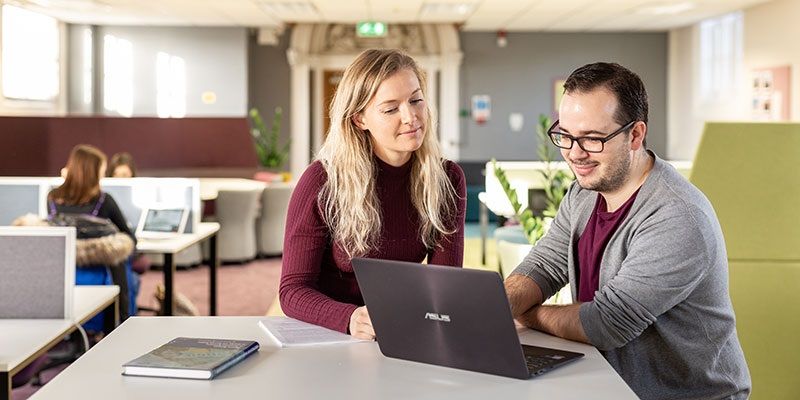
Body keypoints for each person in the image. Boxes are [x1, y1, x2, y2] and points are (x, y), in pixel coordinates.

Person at [504, 62, 751, 399]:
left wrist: (527, 314)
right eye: (565, 136)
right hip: (613, 384)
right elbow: (546, 265)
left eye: (592, 138)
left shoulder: (678, 216)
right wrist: (500, 302)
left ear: (635, 135)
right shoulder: (584, 192)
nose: (574, 154)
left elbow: (607, 323)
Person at [279, 49, 466, 339]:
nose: (411, 117)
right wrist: (350, 317)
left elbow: (444, 285)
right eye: (390, 109)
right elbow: (292, 291)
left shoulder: (447, 179)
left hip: (404, 329)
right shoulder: (322, 180)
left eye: (416, 100)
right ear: (359, 119)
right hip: (334, 335)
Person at [49, 144, 137, 320]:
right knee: (121, 255)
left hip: (66, 267)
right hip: (104, 267)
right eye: (102, 171)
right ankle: (122, 320)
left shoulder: (52, 197)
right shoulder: (104, 200)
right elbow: (129, 237)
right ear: (93, 172)